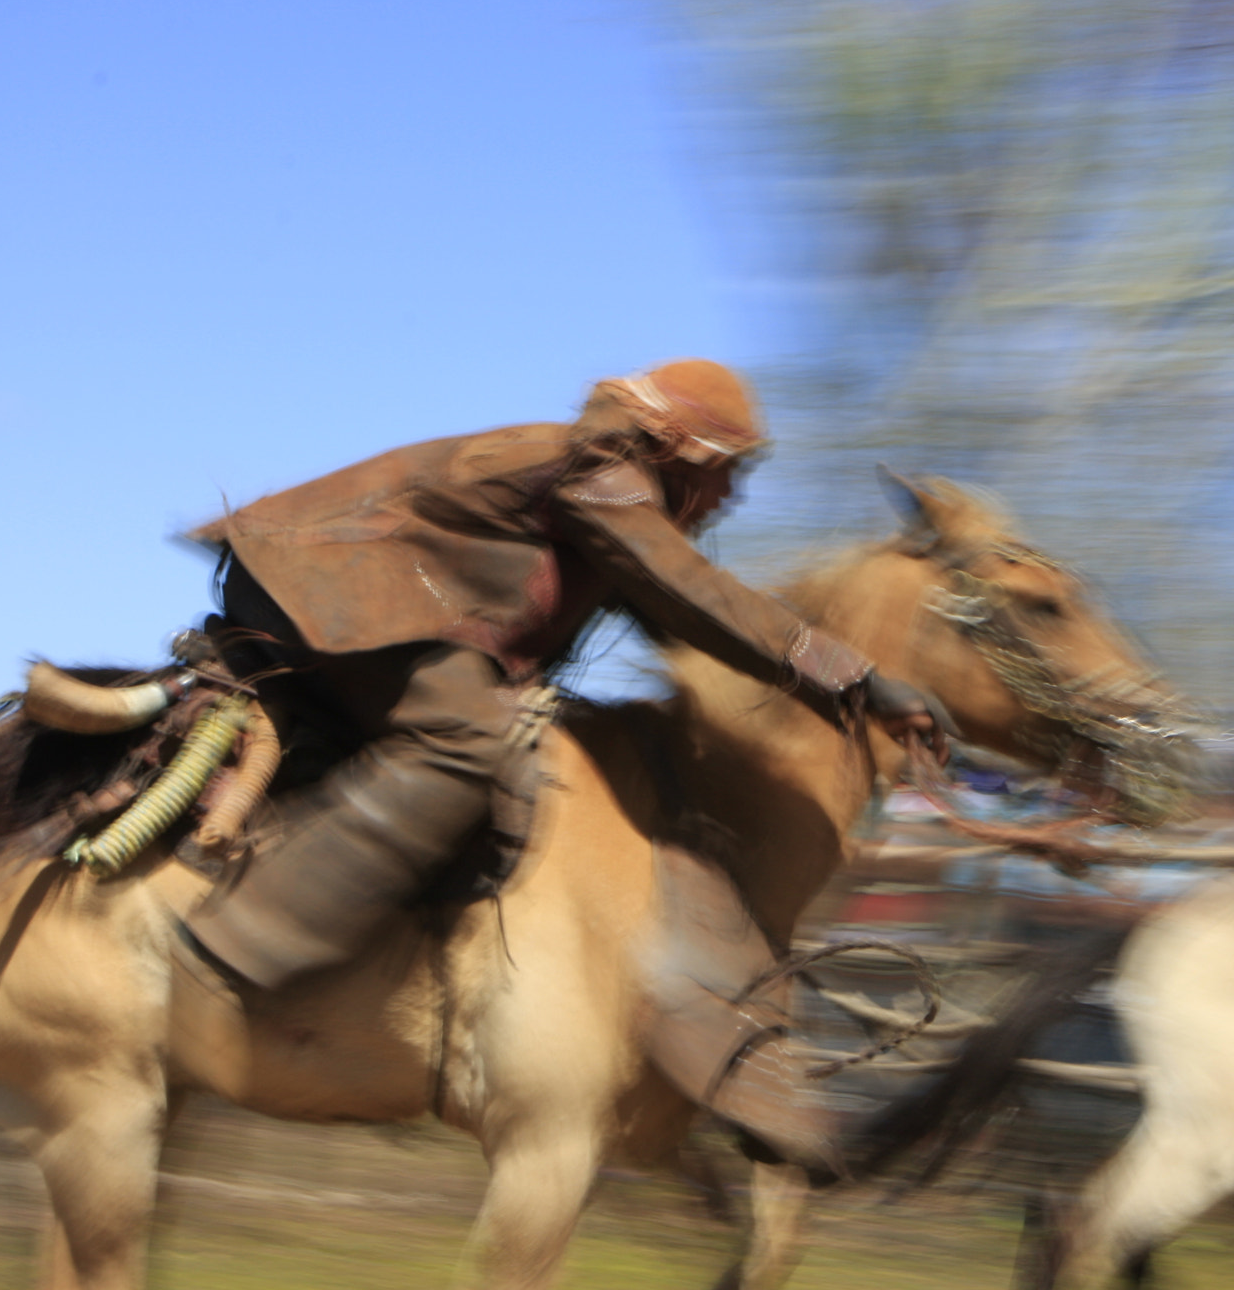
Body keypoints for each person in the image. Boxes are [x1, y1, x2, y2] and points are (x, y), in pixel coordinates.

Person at [179, 359, 944, 993]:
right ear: (682, 451)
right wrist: (860, 679)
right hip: (322, 590)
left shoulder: (620, 503)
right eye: (730, 473)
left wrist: (821, 698)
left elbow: (691, 625)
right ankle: (237, 945)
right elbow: (700, 596)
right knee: (469, 736)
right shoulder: (599, 472)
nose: (732, 497)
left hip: (368, 606)